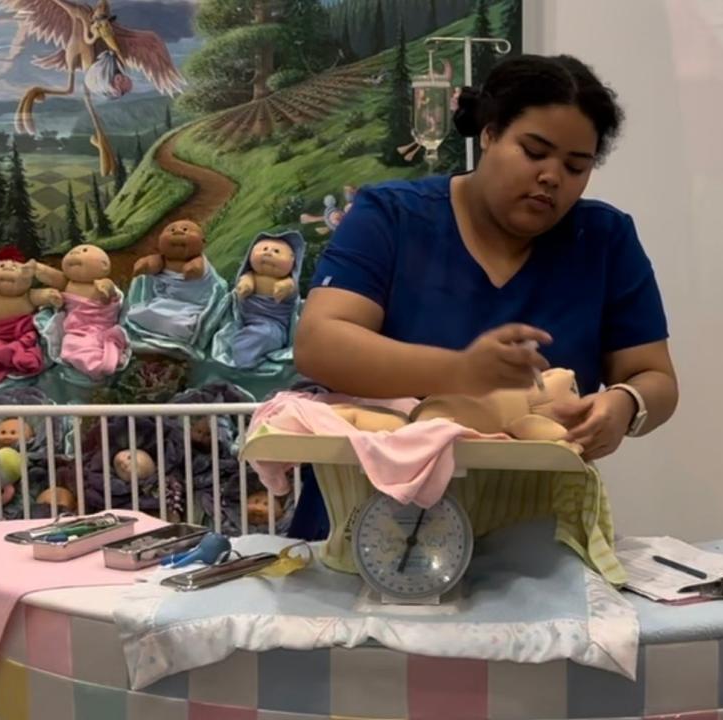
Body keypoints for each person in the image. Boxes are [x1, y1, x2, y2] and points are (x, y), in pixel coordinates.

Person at [288, 54, 678, 538]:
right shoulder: (391, 217)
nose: (553, 177)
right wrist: (461, 372)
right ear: (489, 134)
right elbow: (320, 343)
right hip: (366, 527)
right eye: (535, 152)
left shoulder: (603, 240)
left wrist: (624, 405)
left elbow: (656, 378)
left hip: (530, 538)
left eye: (576, 166)